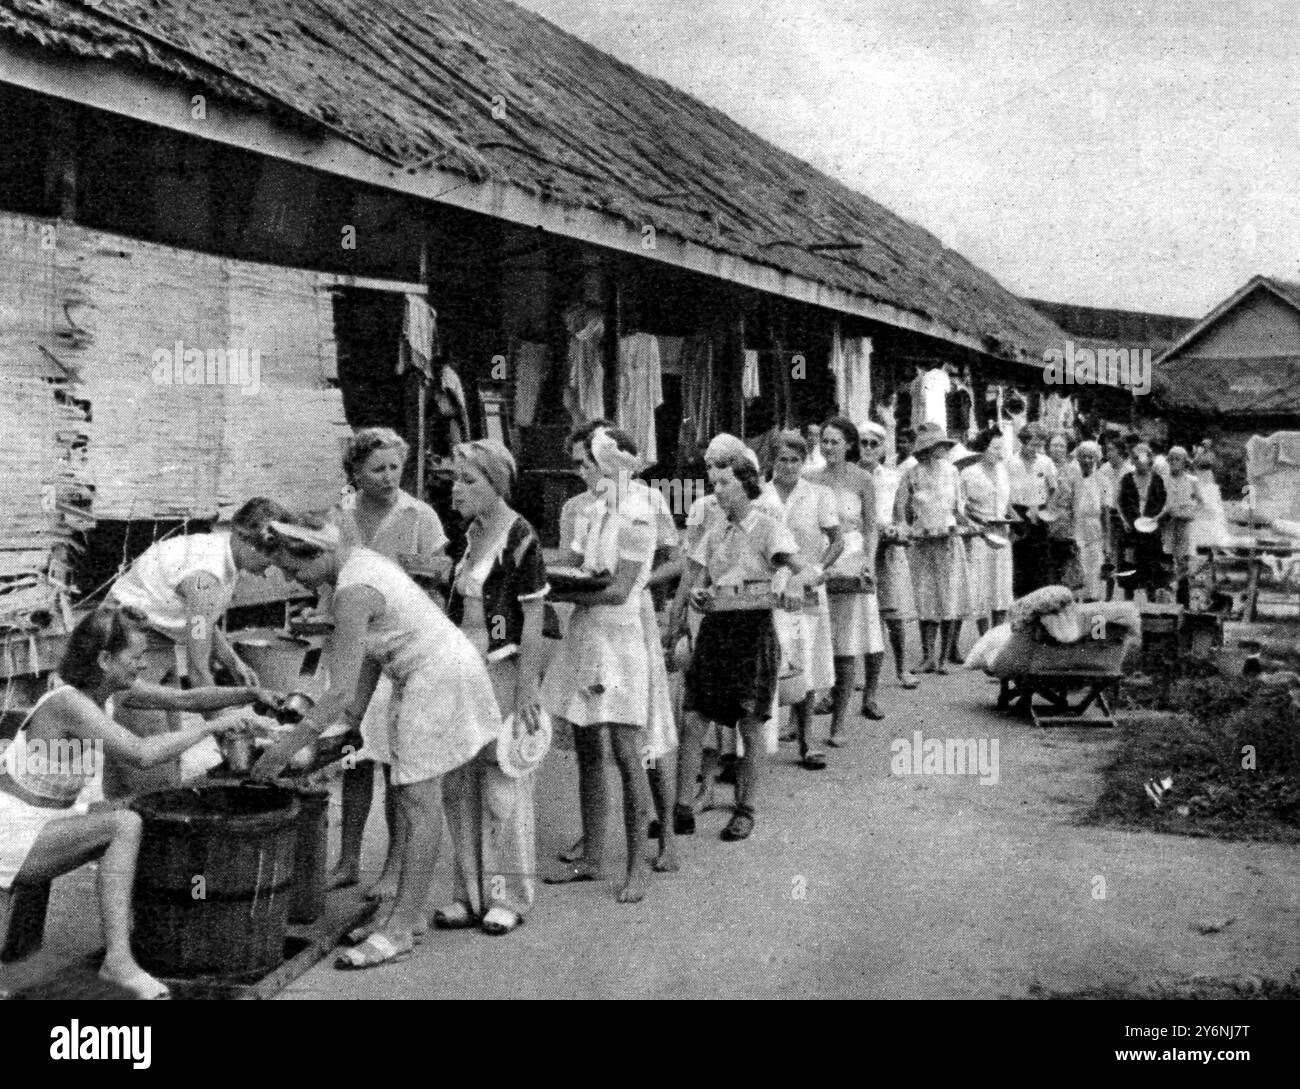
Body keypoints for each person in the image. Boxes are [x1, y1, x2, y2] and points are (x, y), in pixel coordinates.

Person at [251, 513, 504, 969]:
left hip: (437, 677)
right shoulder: (358, 565)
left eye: (294, 569)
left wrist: (285, 748)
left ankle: (403, 927)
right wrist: (340, 732)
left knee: (418, 800)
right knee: (410, 796)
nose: (294, 579)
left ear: (316, 552)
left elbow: (340, 691)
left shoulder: (352, 591)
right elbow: (357, 683)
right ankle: (400, 913)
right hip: (428, 671)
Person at [1, 605, 280, 999]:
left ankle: (148, 934)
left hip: (40, 820)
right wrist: (214, 727)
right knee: (124, 824)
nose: (144, 665)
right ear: (103, 659)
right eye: (137, 657)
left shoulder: (107, 692)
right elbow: (140, 753)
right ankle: (118, 960)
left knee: (141, 810)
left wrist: (249, 693)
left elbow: (186, 699)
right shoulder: (70, 704)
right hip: (11, 830)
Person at [540, 427, 675, 901]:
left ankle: (637, 866)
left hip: (621, 639)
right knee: (585, 740)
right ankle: (594, 856)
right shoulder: (590, 511)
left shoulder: (639, 516)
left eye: (588, 464)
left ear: (613, 467)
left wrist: (555, 591)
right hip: (587, 633)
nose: (580, 472)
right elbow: (577, 563)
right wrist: (539, 572)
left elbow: (619, 590)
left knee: (627, 752)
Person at [327, 428, 450, 898]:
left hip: (397, 647)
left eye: (395, 467)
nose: (388, 477)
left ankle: (395, 867)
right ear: (355, 473)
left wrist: (419, 569)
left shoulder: (419, 514)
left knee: (397, 759)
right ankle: (347, 860)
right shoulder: (339, 515)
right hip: (352, 648)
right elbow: (330, 576)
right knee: (353, 754)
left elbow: (443, 573)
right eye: (376, 469)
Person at [668, 452, 812, 840]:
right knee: (694, 718)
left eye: (724, 483)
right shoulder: (716, 530)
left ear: (747, 485)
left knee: (750, 723)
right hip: (716, 630)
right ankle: (680, 810)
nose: (717, 491)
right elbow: (698, 577)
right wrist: (695, 598)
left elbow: (801, 570)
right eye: (713, 484)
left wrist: (791, 587)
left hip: (753, 632)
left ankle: (746, 809)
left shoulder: (768, 528)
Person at [102, 497, 286, 798]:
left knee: (166, 737)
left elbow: (201, 621)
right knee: (152, 756)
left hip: (158, 635)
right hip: (129, 640)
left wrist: (232, 661)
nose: (269, 564)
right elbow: (199, 672)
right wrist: (225, 727)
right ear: (241, 536)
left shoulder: (221, 554)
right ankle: (141, 824)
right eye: (265, 553)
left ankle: (117, 821)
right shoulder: (206, 577)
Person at [440, 440, 547, 935]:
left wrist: (527, 690)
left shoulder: (519, 533)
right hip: (461, 663)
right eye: (455, 479)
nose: (456, 489)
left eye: (468, 481)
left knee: (503, 778)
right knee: (459, 779)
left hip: (500, 665)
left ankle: (510, 896)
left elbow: (532, 617)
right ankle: (469, 894)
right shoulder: (470, 532)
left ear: (495, 484)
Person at [804, 418, 883, 734]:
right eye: (824, 441)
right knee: (810, 640)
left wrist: (870, 562)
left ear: (850, 444)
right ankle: (802, 722)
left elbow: (871, 526)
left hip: (853, 558)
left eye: (835, 441)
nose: (828, 447)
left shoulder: (863, 479)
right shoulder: (809, 478)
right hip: (819, 557)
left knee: (846, 645)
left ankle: (838, 724)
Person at [768, 430, 841, 770]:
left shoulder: (818, 495)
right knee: (769, 660)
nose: (788, 466)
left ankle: (806, 741)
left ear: (803, 461)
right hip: (768, 589)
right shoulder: (759, 496)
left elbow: (837, 540)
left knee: (805, 661)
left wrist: (818, 569)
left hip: (808, 587)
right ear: (773, 460)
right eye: (782, 459)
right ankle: (756, 744)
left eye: (795, 459)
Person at [899, 423, 969, 673]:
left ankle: (942, 658)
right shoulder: (913, 473)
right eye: (938, 445)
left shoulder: (952, 472)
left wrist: (968, 525)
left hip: (947, 541)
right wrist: (909, 530)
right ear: (927, 448)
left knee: (948, 597)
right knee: (925, 598)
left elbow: (959, 510)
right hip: (922, 542)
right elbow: (903, 510)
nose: (942, 449)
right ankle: (928, 655)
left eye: (944, 445)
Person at [860, 421, 919, 691]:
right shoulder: (849, 475)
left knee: (893, 613)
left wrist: (897, 530)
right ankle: (858, 675)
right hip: (858, 549)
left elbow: (902, 518)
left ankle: (901, 668)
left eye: (874, 443)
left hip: (887, 550)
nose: (868, 448)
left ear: (883, 447)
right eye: (864, 443)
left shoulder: (894, 478)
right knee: (859, 612)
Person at [959, 429, 1013, 633]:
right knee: (981, 588)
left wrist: (1014, 521)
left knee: (1001, 587)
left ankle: (997, 635)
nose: (1000, 453)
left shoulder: (1003, 471)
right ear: (983, 448)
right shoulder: (969, 473)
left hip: (1001, 535)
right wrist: (975, 522)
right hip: (979, 537)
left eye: (1002, 448)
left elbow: (1006, 503)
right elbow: (960, 508)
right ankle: (984, 636)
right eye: (996, 447)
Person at [1008, 423, 1058, 597]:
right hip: (1018, 513)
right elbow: (1005, 493)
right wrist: (1015, 516)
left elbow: (1053, 489)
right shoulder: (1010, 462)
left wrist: (1045, 511)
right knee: (1020, 561)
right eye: (1033, 444)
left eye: (1040, 445)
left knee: (1040, 561)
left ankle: (1039, 600)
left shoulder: (1046, 462)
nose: (1036, 449)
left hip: (1039, 512)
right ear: (1023, 441)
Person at [1115, 443, 1169, 601]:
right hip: (1131, 532)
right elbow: (1118, 502)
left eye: (1144, 458)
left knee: (1151, 570)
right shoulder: (1126, 478)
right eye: (1136, 458)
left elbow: (1165, 504)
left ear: (1150, 460)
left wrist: (1157, 519)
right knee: (1128, 570)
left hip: (1151, 532)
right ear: (1133, 460)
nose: (1140, 462)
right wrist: (1124, 521)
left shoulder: (1158, 480)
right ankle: (1128, 605)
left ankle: (1151, 605)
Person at [1162, 446, 1203, 606]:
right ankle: (1164, 600)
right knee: (1165, 561)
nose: (1173, 462)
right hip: (1167, 523)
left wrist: (1190, 513)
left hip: (1184, 523)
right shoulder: (1163, 479)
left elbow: (1201, 503)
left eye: (1177, 459)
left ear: (1184, 462)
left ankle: (1183, 603)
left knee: (1183, 562)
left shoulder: (1192, 481)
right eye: (1170, 459)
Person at [1067, 440, 1107, 600]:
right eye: (1083, 456)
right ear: (1078, 458)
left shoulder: (1102, 480)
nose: (1087, 460)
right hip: (1076, 530)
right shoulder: (1073, 479)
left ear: (1096, 458)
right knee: (1077, 577)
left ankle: (1094, 619)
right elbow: (1068, 507)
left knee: (1094, 577)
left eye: (1091, 457)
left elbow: (1105, 512)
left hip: (1095, 531)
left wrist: (1108, 541)